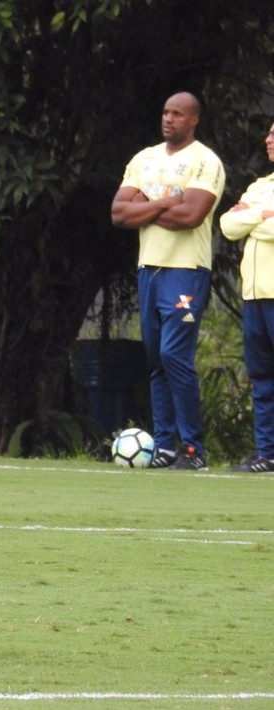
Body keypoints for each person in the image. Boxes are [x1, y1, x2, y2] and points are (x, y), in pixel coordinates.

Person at [111, 91, 226, 471]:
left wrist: (145, 204)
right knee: (156, 359)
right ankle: (164, 447)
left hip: (185, 270)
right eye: (165, 112)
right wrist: (165, 202)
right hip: (149, 268)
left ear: (194, 120)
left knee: (174, 356)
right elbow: (118, 213)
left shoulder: (205, 161)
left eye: (177, 114)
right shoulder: (144, 158)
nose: (169, 119)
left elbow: (191, 216)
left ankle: (193, 450)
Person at [219, 120, 274, 472]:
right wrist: (263, 214)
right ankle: (266, 453)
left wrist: (252, 219)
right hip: (254, 298)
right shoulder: (260, 187)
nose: (268, 139)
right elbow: (228, 226)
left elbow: (251, 225)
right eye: (268, 133)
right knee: (262, 376)